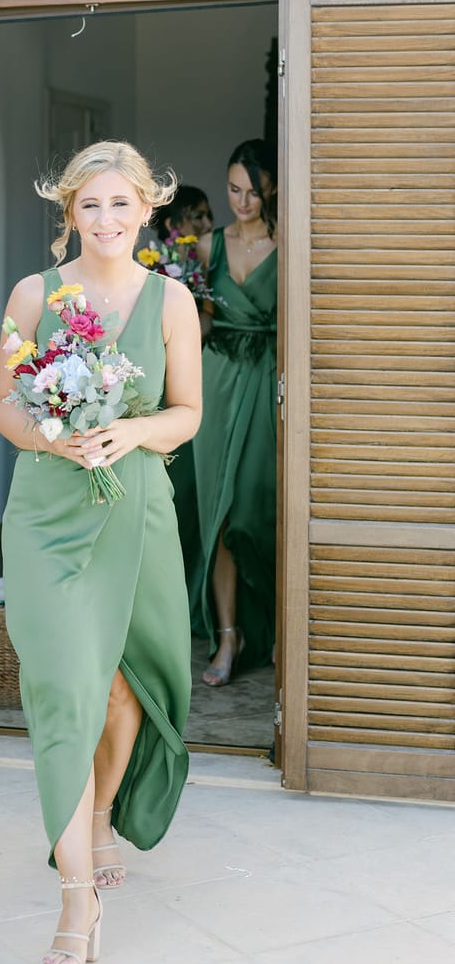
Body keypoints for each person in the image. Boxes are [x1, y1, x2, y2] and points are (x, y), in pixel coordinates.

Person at [0, 141, 202, 964]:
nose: (106, 219)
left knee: (121, 689)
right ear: (69, 212)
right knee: (63, 692)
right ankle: (77, 899)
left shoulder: (172, 300)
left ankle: (102, 811)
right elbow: (5, 402)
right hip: (46, 517)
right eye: (90, 204)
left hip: (135, 512)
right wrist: (52, 435)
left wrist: (132, 431)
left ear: (146, 209)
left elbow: (186, 412)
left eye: (121, 203)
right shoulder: (33, 294)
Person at [193, 138, 278, 686]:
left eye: (252, 192)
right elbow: (201, 321)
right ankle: (228, 637)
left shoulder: (288, 242)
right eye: (232, 189)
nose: (241, 202)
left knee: (256, 513)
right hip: (217, 380)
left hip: (268, 377)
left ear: (272, 189)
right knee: (220, 516)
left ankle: (276, 623)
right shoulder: (207, 247)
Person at [150, 185, 214, 633]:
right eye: (198, 216)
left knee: (193, 502)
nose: (208, 225)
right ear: (175, 225)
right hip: (156, 404)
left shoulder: (201, 272)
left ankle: (194, 607)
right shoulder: (149, 277)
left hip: (198, 396)